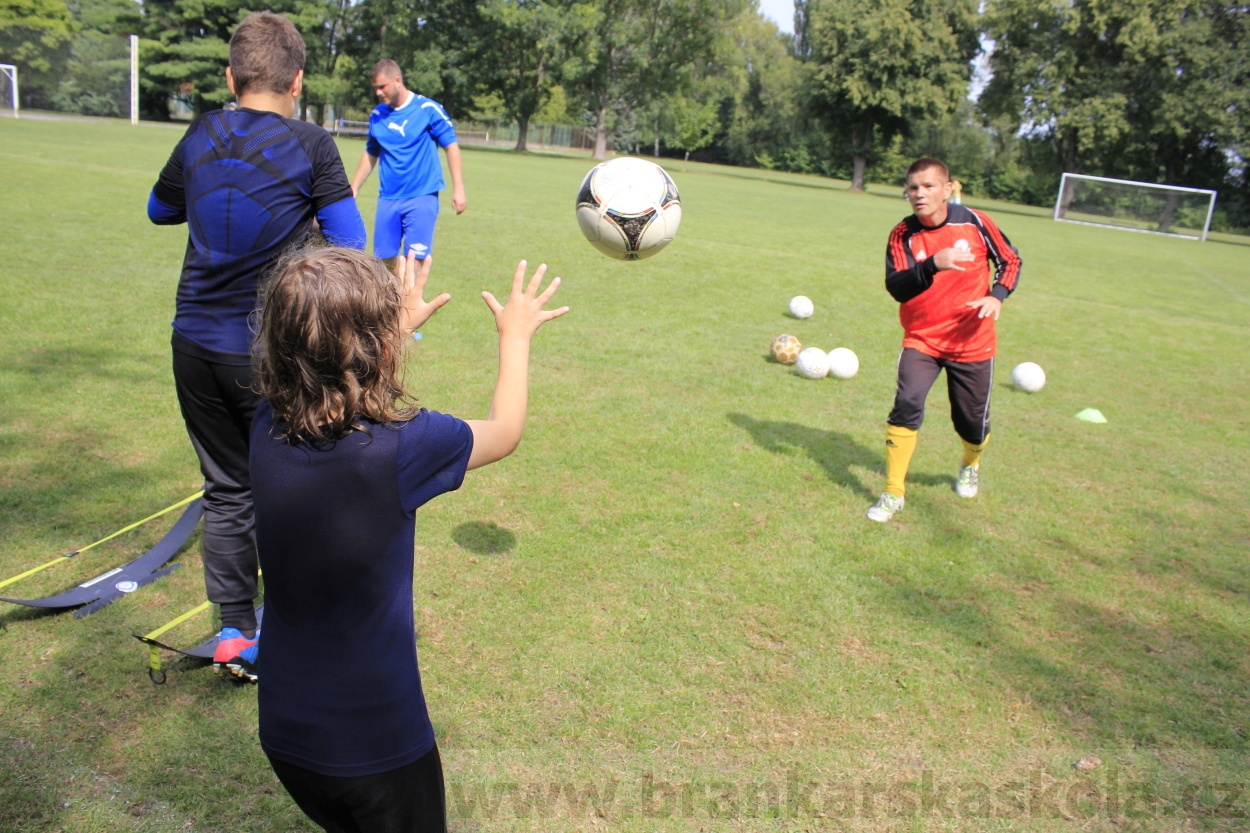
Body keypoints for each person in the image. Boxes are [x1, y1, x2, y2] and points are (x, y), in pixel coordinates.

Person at [250, 248, 566, 832]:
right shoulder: (403, 447)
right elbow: (504, 431)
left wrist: (386, 327)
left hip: (287, 730)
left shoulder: (265, 423)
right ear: (381, 349)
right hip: (377, 744)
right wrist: (515, 337)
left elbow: (323, 364)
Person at [146, 11, 366, 679]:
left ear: (229, 76)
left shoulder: (200, 131)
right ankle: (298, 618)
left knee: (227, 488)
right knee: (298, 481)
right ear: (297, 80)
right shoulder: (312, 143)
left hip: (192, 343)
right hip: (268, 351)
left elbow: (160, 209)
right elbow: (351, 242)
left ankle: (235, 630)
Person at [867, 157, 1021, 522]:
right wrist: (933, 263)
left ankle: (970, 463)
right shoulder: (902, 233)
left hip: (972, 342)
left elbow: (1010, 261)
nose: (919, 194)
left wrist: (996, 296)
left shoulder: (976, 222)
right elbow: (897, 287)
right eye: (913, 188)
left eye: (928, 186)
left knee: (970, 423)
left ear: (947, 189)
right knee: (907, 401)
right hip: (922, 339)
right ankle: (893, 492)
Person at [350, 59, 467, 267]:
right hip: (388, 198)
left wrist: (459, 188)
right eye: (375, 88)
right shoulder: (377, 115)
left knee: (415, 262)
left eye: (382, 86)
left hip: (421, 196)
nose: (378, 92)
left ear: (397, 80)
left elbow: (451, 146)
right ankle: (394, 300)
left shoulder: (427, 109)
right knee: (383, 263)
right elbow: (371, 153)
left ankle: (410, 299)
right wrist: (354, 187)